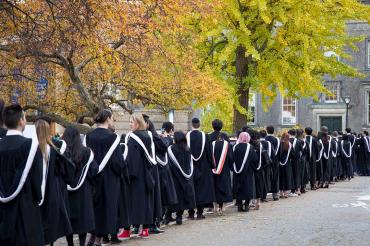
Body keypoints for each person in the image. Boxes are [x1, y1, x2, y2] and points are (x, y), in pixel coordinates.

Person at [0, 104, 44, 246]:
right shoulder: (30, 146)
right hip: (25, 205)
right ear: (21, 121)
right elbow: (36, 177)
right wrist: (38, 198)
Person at [84, 109, 124, 245]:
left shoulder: (89, 136)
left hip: (92, 177)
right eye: (112, 118)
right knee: (107, 208)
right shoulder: (112, 137)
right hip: (109, 178)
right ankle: (99, 239)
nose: (113, 121)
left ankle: (92, 236)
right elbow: (117, 162)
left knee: (94, 206)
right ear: (107, 119)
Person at [36, 119, 75, 245]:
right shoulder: (55, 149)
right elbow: (66, 170)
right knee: (53, 220)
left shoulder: (30, 148)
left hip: (35, 188)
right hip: (52, 189)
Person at [120, 114, 156, 239]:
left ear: (138, 123)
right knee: (146, 202)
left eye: (132, 122)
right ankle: (145, 229)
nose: (130, 124)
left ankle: (126, 230)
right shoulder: (148, 135)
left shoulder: (134, 137)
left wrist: (128, 174)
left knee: (130, 203)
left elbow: (132, 159)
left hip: (136, 176)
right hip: (147, 173)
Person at [63, 126, 99, 246]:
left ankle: (70, 244)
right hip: (83, 191)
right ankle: (82, 244)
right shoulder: (87, 152)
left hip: (66, 192)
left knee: (68, 219)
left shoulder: (62, 152)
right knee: (82, 220)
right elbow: (94, 170)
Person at [187, 118, 215, 220]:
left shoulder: (187, 136)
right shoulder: (205, 136)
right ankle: (200, 213)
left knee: (191, 189)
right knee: (202, 190)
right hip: (203, 167)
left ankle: (191, 213)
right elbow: (209, 152)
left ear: (192, 124)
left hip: (190, 166)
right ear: (199, 124)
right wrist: (212, 165)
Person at [167, 131, 196, 225]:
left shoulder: (171, 149)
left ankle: (168, 216)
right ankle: (179, 217)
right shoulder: (187, 149)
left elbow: (169, 164)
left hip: (174, 177)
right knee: (182, 197)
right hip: (185, 177)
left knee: (173, 196)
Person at [233, 132, 258, 212]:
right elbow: (254, 160)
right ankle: (247, 205)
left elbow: (231, 159)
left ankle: (239, 205)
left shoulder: (235, 147)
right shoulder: (250, 147)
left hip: (237, 171)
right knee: (247, 187)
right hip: (248, 171)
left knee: (238, 187)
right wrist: (254, 168)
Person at [211, 132, 233, 214]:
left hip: (213, 169)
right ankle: (223, 206)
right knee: (224, 186)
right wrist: (231, 167)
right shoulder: (228, 145)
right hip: (224, 169)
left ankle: (215, 206)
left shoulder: (212, 144)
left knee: (215, 187)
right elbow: (231, 158)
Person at [265, 126, 280, 201]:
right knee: (275, 177)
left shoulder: (264, 139)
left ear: (267, 131)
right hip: (275, 160)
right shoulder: (277, 139)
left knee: (265, 177)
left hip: (265, 161)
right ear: (273, 131)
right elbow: (279, 150)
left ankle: (263, 195)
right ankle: (275, 194)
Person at [260, 129, 274, 202]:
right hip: (267, 164)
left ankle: (259, 195)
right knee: (266, 179)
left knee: (260, 180)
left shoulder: (257, 143)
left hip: (259, 164)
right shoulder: (268, 143)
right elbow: (273, 154)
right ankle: (264, 196)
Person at [278, 132, 293, 198]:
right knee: (286, 177)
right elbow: (292, 154)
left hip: (280, 163)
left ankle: (281, 193)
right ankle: (285, 193)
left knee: (281, 177)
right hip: (287, 163)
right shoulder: (289, 144)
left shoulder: (279, 144)